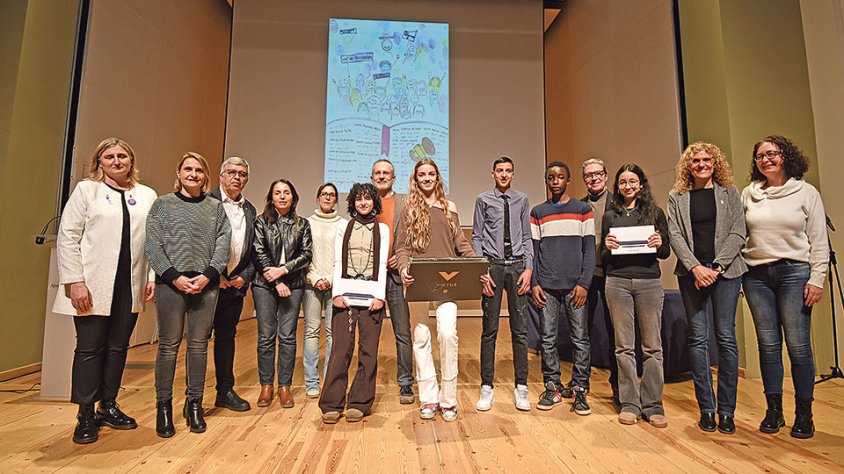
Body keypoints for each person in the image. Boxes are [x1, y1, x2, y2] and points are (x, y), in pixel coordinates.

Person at [55, 138, 157, 444]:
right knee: (90, 348)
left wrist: (151, 276)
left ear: (131, 160)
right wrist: (74, 281)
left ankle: (108, 405)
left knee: (117, 347)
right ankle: (86, 413)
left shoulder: (146, 195)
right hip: (93, 284)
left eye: (122, 155)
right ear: (99, 162)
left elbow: (153, 241)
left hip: (129, 284)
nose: (116, 161)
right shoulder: (87, 190)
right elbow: (68, 236)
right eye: (109, 156)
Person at [742, 135, 828, 439]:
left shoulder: (806, 192)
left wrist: (817, 278)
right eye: (760, 156)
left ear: (786, 156)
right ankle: (774, 410)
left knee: (798, 345)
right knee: (767, 344)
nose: (766, 160)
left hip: (794, 273)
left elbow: (819, 239)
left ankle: (804, 414)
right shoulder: (749, 194)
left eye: (772, 154)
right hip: (756, 276)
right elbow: (740, 236)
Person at [146, 152, 231, 437]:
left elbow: (223, 243)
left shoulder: (215, 207)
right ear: (179, 173)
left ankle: (194, 403)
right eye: (188, 169)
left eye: (199, 170)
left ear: (206, 176)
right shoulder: (162, 205)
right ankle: (163, 406)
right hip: (170, 284)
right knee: (168, 346)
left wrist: (208, 275)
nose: (193, 174)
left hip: (205, 284)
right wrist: (175, 277)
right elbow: (153, 245)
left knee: (198, 346)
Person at [395, 158, 487, 421]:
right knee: (421, 337)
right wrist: (403, 269)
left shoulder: (450, 207)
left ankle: (448, 400)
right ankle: (428, 398)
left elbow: (461, 245)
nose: (427, 178)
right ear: (415, 179)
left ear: (437, 177)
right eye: (422, 174)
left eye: (431, 174)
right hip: (418, 280)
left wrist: (479, 267)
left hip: (448, 280)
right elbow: (402, 248)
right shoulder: (408, 209)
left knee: (447, 334)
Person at [668, 142, 746, 434]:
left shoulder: (730, 193)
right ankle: (707, 410)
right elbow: (675, 235)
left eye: (706, 160)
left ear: (715, 163)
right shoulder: (677, 197)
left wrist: (717, 268)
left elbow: (738, 232)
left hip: (726, 274)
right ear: (688, 166)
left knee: (726, 338)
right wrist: (696, 268)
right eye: (695, 160)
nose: (701, 164)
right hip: (692, 275)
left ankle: (727, 411)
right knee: (697, 339)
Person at [602, 163, 670, 428]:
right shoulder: (610, 215)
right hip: (617, 282)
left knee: (652, 347)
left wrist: (660, 243)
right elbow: (604, 256)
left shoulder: (656, 213)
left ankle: (653, 404)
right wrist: (607, 247)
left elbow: (665, 253)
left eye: (632, 181)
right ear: (617, 186)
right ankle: (629, 403)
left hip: (649, 282)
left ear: (641, 184)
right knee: (623, 347)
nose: (627, 186)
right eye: (622, 182)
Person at [319, 183, 390, 423]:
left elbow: (382, 264)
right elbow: (338, 261)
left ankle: (360, 402)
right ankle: (331, 403)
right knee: (341, 349)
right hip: (345, 296)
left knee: (368, 351)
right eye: (359, 199)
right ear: (353, 202)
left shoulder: (383, 229)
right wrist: (336, 294)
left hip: (372, 296)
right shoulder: (343, 227)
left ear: (374, 202)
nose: (363, 203)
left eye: (368, 198)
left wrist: (380, 297)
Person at [530, 161, 596, 415]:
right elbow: (534, 253)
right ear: (546, 181)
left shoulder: (583, 210)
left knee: (580, 339)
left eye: (560, 177)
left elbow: (589, 250)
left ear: (568, 180)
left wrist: (584, 283)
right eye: (550, 177)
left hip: (575, 287)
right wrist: (535, 283)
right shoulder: (538, 212)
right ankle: (553, 387)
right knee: (548, 339)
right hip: (546, 287)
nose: (555, 181)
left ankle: (580, 389)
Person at [471, 156, 533, 412]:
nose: (504, 174)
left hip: (517, 266)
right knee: (490, 329)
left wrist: (529, 268)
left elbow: (527, 236)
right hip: (493, 267)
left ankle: (521, 386)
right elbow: (476, 236)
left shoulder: (522, 200)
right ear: (493, 174)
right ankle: (487, 386)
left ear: (513, 174)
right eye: (499, 170)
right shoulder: (483, 199)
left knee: (520, 330)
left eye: (508, 170)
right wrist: (481, 269)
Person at [252, 179, 313, 409]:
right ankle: (266, 386)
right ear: (271, 197)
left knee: (287, 336)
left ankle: (284, 386)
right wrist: (276, 280)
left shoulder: (302, 224)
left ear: (293, 197)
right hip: (264, 285)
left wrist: (284, 270)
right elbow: (258, 252)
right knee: (266, 336)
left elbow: (306, 254)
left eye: (286, 192)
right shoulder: (261, 222)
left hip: (294, 284)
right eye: (277, 192)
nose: (282, 196)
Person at [208, 157, 257, 412]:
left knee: (226, 339)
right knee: (197, 342)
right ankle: (193, 398)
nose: (237, 177)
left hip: (234, 287)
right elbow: (197, 245)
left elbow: (252, 251)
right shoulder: (207, 202)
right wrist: (213, 275)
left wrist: (244, 276)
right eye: (232, 172)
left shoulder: (250, 209)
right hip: (208, 285)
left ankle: (224, 391)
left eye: (242, 174)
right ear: (221, 176)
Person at [371, 159, 415, 404]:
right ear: (371, 177)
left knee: (402, 331)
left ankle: (406, 383)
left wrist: (402, 257)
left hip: (396, 275)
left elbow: (415, 235)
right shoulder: (364, 202)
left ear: (394, 177)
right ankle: (366, 384)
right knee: (369, 333)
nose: (381, 176)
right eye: (377, 173)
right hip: (370, 278)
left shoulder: (405, 203)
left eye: (386, 173)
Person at [580, 158, 620, 406]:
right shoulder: (579, 206)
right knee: (581, 331)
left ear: (605, 176)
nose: (593, 178)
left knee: (615, 331)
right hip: (586, 276)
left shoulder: (620, 203)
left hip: (613, 275)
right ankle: (581, 384)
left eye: (597, 174)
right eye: (588, 175)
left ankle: (618, 385)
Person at [303, 183, 346, 398]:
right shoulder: (306, 223)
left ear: (336, 199)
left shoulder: (344, 225)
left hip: (335, 285)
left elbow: (344, 257)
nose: (327, 198)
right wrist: (315, 278)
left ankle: (329, 379)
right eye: (324, 194)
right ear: (318, 197)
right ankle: (311, 381)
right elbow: (303, 255)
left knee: (332, 333)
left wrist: (329, 279)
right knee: (311, 331)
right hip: (311, 283)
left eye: (331, 195)